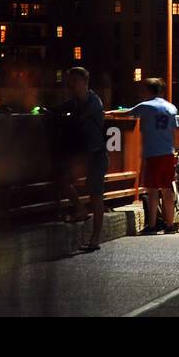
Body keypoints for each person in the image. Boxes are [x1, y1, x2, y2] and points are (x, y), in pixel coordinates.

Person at [58, 67, 107, 252]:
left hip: (96, 154)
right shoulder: (75, 102)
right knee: (63, 180)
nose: (71, 85)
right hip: (82, 155)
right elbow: (60, 110)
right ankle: (80, 209)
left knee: (96, 195)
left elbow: (79, 118)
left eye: (75, 81)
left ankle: (95, 240)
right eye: (70, 81)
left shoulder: (93, 102)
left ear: (85, 82)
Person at [130, 78, 178, 234]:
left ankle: (152, 225)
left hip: (152, 153)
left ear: (149, 91)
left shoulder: (146, 106)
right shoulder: (171, 108)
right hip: (168, 152)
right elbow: (174, 129)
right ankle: (170, 225)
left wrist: (106, 113)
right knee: (167, 190)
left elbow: (128, 113)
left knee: (152, 191)